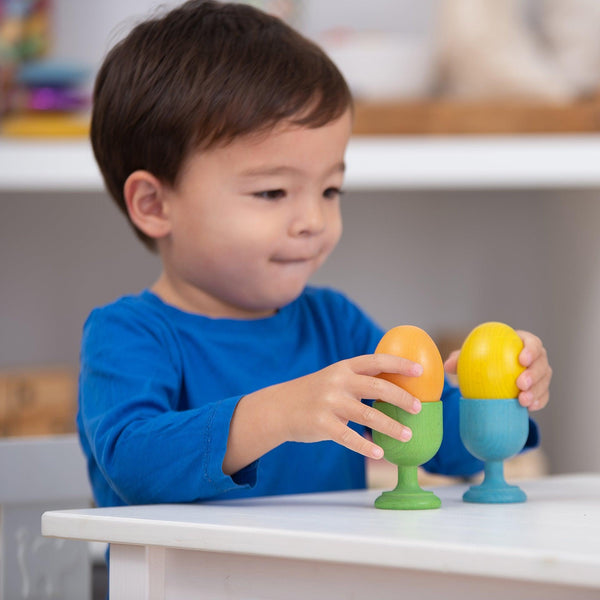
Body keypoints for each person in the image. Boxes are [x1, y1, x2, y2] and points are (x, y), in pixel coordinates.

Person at [79, 0, 552, 508]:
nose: (314, 221)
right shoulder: (127, 335)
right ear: (154, 205)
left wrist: (498, 398)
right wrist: (277, 412)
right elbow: (132, 466)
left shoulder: (335, 325)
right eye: (272, 193)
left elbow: (439, 448)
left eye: (330, 191)